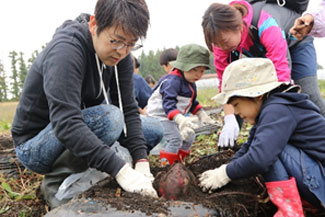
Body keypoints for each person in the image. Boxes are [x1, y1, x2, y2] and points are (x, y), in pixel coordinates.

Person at [11, 0, 163, 208]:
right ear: (94, 25)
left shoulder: (122, 57)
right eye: (116, 41)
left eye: (131, 44)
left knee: (154, 129)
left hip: (81, 128)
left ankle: (95, 166)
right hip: (36, 144)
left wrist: (142, 161)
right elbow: (66, 123)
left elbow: (129, 110)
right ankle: (58, 183)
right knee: (110, 119)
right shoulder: (66, 50)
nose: (122, 51)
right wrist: (121, 170)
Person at [199, 58, 325, 216]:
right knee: (264, 147)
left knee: (268, 152)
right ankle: (305, 203)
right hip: (317, 175)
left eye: (237, 104)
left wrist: (226, 174)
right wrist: (225, 168)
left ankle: (290, 212)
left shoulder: (278, 109)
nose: (236, 112)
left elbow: (259, 158)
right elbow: (248, 146)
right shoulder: (272, 109)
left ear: (257, 95)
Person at [202, 1, 325, 148]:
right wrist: (229, 119)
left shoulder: (265, 23)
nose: (222, 47)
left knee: (309, 94)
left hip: (297, 44)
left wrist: (275, 119)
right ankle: (228, 148)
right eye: (217, 44)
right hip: (265, 52)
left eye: (224, 42)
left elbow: (281, 76)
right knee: (240, 97)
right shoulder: (221, 44)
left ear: (239, 27)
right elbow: (226, 86)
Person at [146, 44, 215, 166]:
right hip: (160, 116)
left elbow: (193, 103)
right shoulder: (172, 81)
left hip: (175, 116)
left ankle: (179, 163)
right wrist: (180, 119)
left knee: (189, 136)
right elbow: (168, 104)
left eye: (202, 71)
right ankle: (166, 167)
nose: (198, 75)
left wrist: (202, 115)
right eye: (195, 70)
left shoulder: (190, 82)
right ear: (183, 66)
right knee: (175, 139)